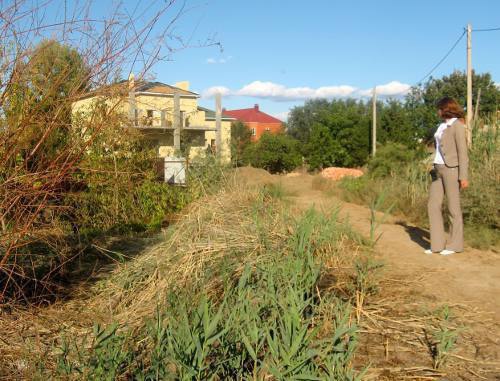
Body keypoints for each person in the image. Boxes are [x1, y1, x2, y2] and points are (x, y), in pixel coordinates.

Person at [425, 97, 469, 256]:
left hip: (452, 170)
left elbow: (463, 153)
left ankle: (455, 245)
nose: (437, 111)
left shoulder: (457, 125)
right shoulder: (441, 126)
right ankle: (436, 245)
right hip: (438, 169)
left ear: (445, 109)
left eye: (439, 108)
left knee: (453, 207)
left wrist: (463, 176)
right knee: (432, 205)